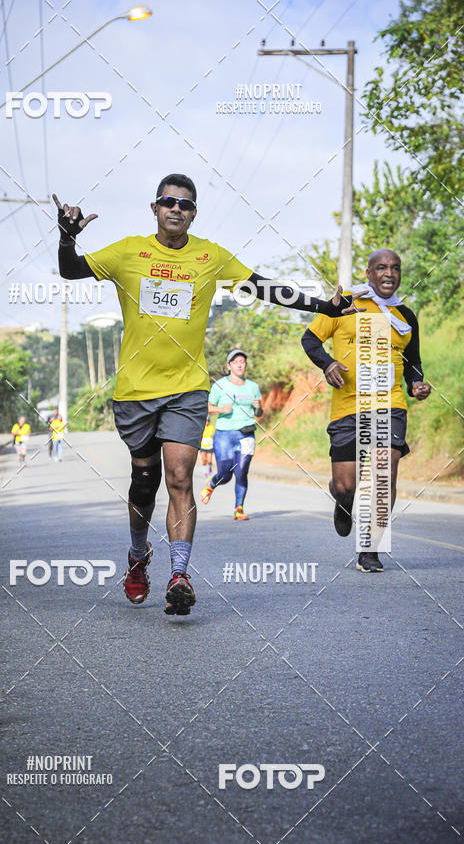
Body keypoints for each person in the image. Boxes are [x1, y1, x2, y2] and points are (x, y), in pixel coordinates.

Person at [53, 173, 359, 615]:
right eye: (168, 202)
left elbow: (263, 287)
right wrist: (66, 238)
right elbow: (70, 270)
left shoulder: (209, 257)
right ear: (154, 208)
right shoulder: (128, 253)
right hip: (135, 391)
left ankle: (180, 574)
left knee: (180, 477)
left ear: (194, 213)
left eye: (185, 204)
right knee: (145, 483)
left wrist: (323, 306)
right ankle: (138, 556)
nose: (176, 209)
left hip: (188, 390)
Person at [301, 248, 431, 572]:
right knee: (346, 484)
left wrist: (417, 384)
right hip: (348, 405)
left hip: (390, 403)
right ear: (369, 272)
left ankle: (370, 550)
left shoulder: (406, 316)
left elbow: (412, 363)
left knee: (384, 473)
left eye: (396, 268)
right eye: (382, 267)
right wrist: (327, 363)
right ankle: (343, 503)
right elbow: (310, 339)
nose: (389, 273)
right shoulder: (346, 302)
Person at [200, 349, 263, 520]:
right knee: (225, 474)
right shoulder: (219, 385)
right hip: (224, 435)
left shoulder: (253, 387)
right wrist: (221, 409)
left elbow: (259, 414)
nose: (240, 364)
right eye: (236, 362)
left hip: (246, 434)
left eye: (242, 361)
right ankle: (212, 484)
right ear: (229, 366)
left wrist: (258, 406)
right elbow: (207, 407)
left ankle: (239, 509)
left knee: (241, 471)